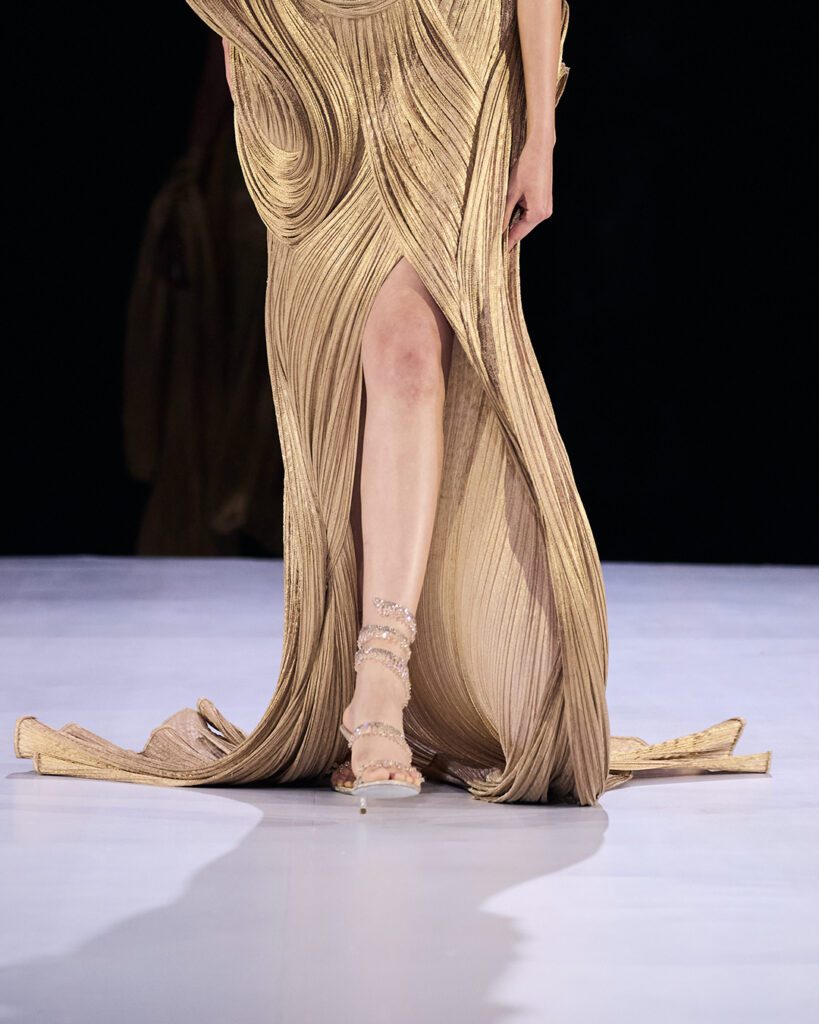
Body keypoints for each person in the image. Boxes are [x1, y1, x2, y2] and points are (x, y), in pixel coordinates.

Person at [13, 1, 771, 807]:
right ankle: (364, 671)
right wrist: (246, 37)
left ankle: (382, 671)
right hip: (319, 50)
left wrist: (540, 131)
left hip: (453, 44)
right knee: (344, 376)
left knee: (409, 352)